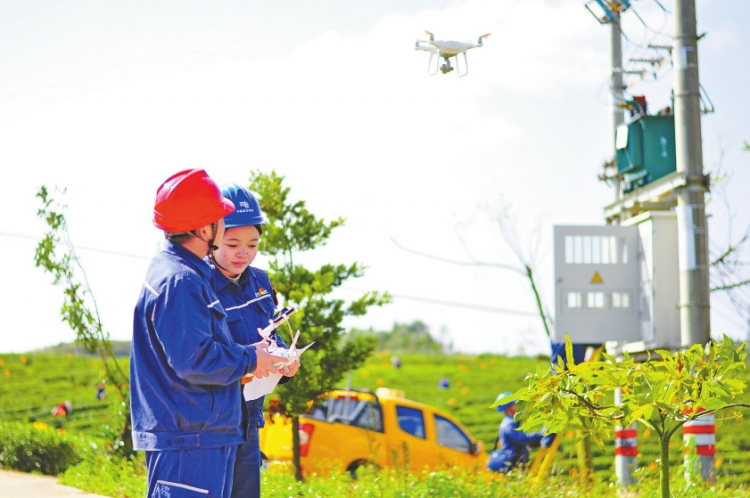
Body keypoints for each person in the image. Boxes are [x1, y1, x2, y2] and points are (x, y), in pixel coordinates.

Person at [130, 169, 288, 498]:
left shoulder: (181, 272)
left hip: (200, 434)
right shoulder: (182, 281)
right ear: (205, 228)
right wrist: (251, 358)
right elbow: (195, 358)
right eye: (220, 219)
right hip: (190, 439)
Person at [209, 183, 300, 498]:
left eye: (253, 243)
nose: (243, 253)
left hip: (248, 421)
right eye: (232, 243)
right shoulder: (195, 286)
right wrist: (248, 363)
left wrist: (284, 362)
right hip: (210, 427)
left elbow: (268, 339)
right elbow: (197, 359)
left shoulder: (260, 282)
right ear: (211, 236)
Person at [487, 392, 547, 474]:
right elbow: (523, 439)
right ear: (508, 408)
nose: (517, 406)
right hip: (512, 463)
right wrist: (542, 435)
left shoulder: (510, 422)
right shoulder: (509, 424)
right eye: (514, 404)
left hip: (516, 461)